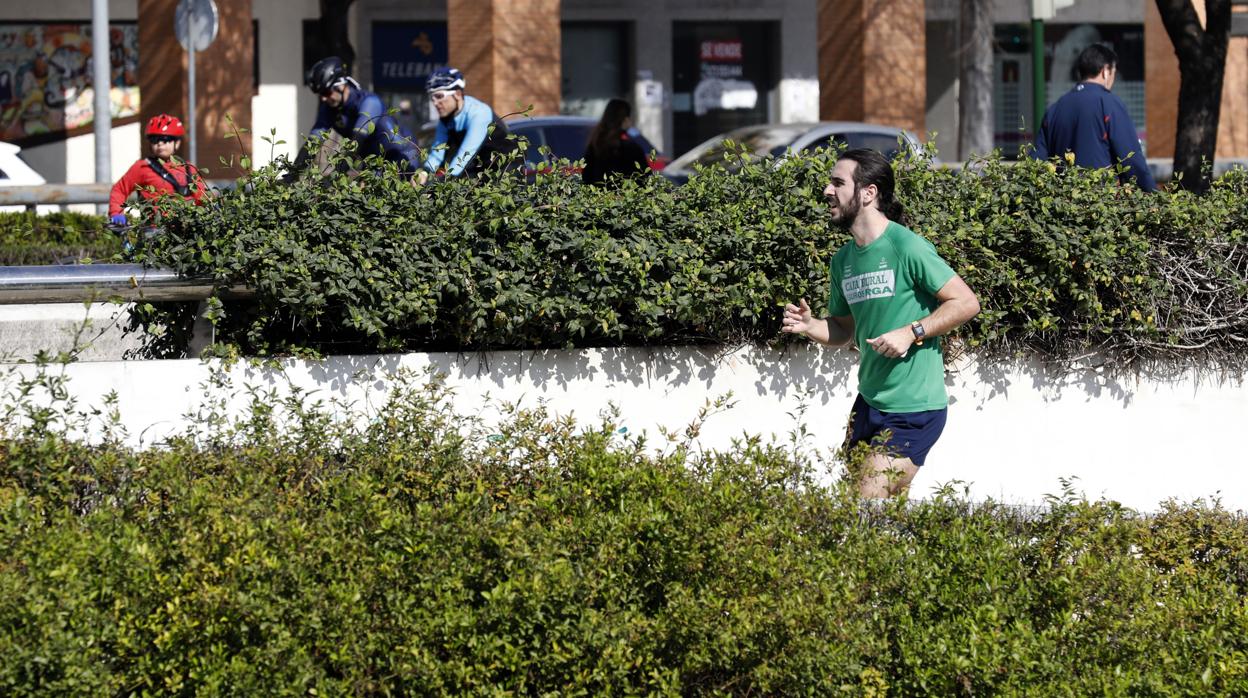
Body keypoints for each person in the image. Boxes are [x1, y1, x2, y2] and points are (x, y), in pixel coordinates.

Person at [781, 148, 981, 499]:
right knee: (876, 520)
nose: (828, 191)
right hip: (869, 403)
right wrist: (811, 326)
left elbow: (966, 302)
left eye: (838, 183)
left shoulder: (906, 247)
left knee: (864, 505)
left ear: (868, 192)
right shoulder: (843, 260)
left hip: (913, 408)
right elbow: (844, 329)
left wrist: (911, 332)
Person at [1032, 43, 1157, 192]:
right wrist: (1153, 194)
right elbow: (1131, 158)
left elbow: (1037, 162)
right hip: (1101, 204)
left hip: (1063, 204)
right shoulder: (1108, 103)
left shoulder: (1055, 109)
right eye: (1113, 72)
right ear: (1105, 71)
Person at [293, 56, 421, 177]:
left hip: (402, 154)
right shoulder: (328, 109)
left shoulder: (369, 102)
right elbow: (311, 143)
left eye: (327, 92)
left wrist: (336, 176)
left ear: (341, 85)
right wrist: (291, 175)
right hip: (374, 161)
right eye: (320, 95)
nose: (324, 98)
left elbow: (357, 141)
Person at [417, 67, 518, 183]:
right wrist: (423, 173)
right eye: (432, 97)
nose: (435, 103)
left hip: (508, 167)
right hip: (481, 167)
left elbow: (462, 160)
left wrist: (437, 185)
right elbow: (437, 154)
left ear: (458, 94)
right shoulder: (445, 120)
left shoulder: (479, 113)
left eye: (439, 96)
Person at [109, 113, 204, 227]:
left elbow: (201, 197)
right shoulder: (142, 167)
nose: (160, 143)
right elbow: (120, 189)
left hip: (186, 231)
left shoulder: (189, 168)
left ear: (177, 143)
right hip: (154, 231)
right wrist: (116, 213)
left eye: (165, 139)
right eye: (155, 139)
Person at [582, 98, 650, 186]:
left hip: (598, 198)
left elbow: (586, 178)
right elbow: (645, 180)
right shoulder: (630, 148)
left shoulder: (595, 145)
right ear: (625, 120)